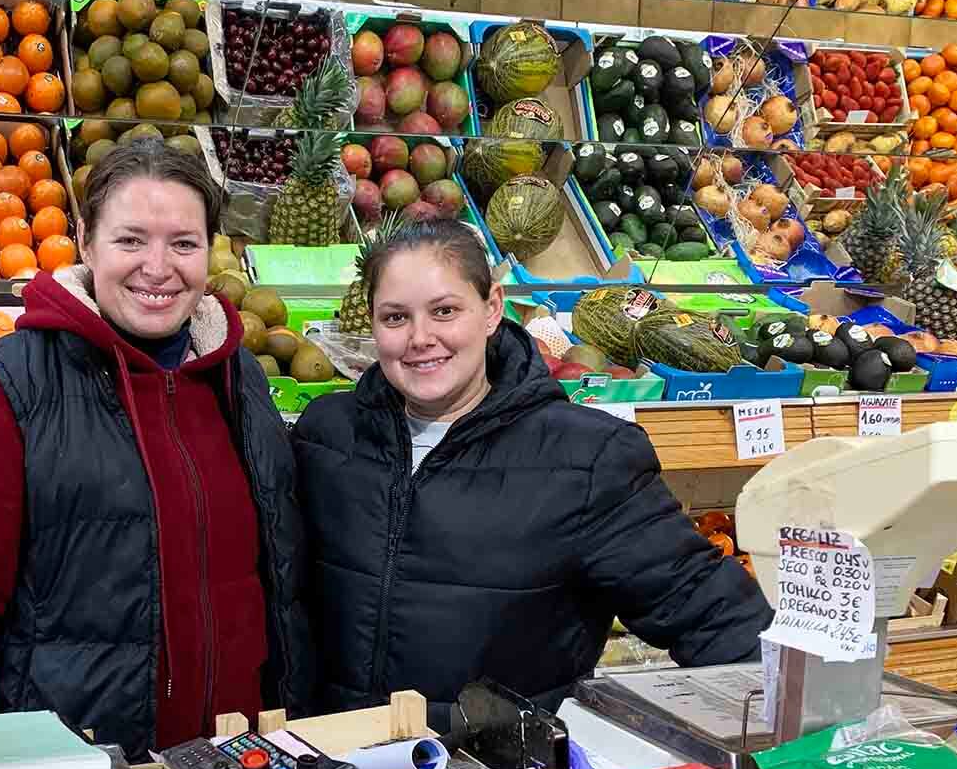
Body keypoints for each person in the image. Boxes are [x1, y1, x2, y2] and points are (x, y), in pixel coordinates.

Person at [0, 140, 311, 759]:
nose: (158, 267)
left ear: (210, 253)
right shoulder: (10, 390)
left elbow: (274, 584)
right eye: (130, 240)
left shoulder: (238, 377)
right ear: (86, 244)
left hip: (234, 761)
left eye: (183, 243)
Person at [291, 219, 771, 731]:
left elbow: (714, 615)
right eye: (395, 317)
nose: (420, 338)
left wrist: (790, 739)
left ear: (492, 309)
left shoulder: (586, 458)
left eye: (445, 310)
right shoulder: (326, 436)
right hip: (332, 763)